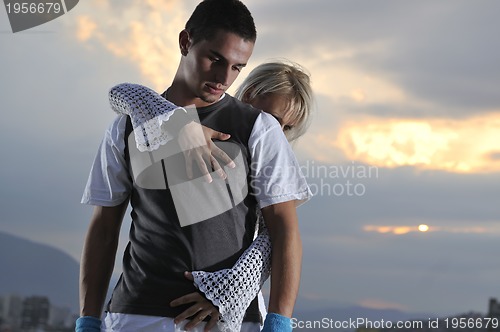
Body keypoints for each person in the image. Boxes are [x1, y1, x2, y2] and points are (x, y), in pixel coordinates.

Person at [77, 0, 311, 331]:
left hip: (225, 321)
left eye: (236, 67)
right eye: (215, 59)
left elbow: (283, 229)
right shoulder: (126, 128)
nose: (223, 77)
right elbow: (103, 228)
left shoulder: (258, 129)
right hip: (134, 315)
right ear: (185, 42)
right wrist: (88, 317)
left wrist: (279, 320)